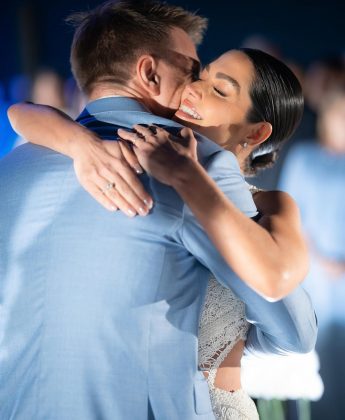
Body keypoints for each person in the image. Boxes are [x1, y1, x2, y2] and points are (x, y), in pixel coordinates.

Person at [1, 1, 316, 419]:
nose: (194, 89)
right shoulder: (193, 162)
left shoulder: (14, 166)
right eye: (194, 73)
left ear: (256, 133)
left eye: (217, 88)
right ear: (149, 72)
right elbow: (293, 329)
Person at [279, 88, 345, 420]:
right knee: (316, 357)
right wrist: (322, 259)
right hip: (316, 275)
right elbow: (292, 213)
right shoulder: (304, 158)